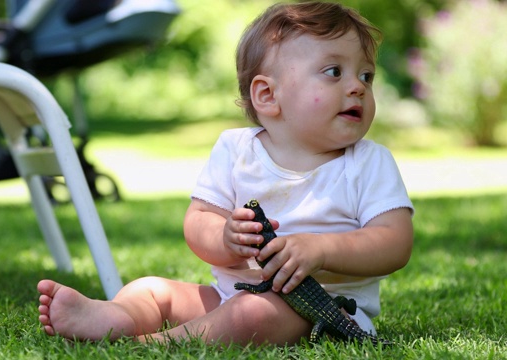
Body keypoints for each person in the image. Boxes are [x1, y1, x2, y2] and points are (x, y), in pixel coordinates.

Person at [37, 1, 414, 346]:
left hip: (323, 311)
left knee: (254, 314)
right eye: (335, 72)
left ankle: (152, 345)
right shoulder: (237, 151)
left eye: (366, 76)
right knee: (152, 289)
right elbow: (198, 222)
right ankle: (114, 316)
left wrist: (322, 248)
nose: (357, 88)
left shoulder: (367, 162)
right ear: (267, 96)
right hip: (229, 293)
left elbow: (395, 243)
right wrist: (225, 239)